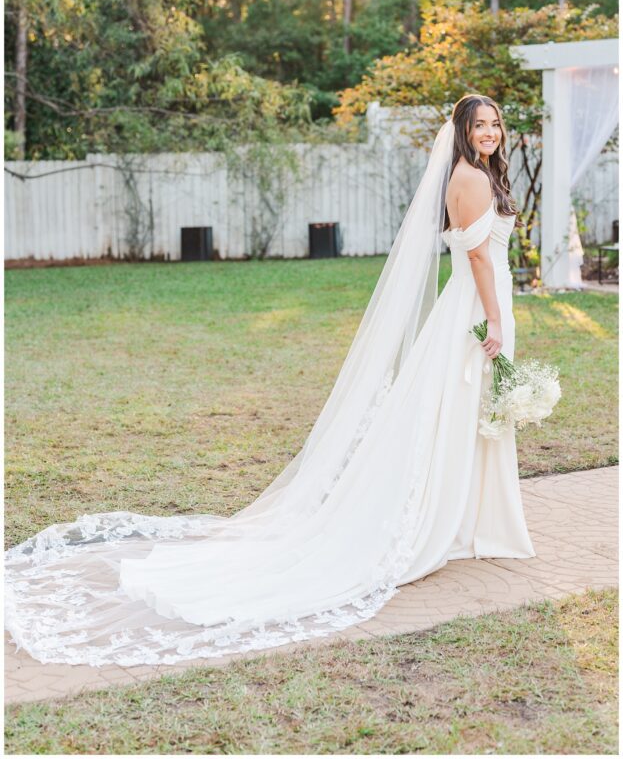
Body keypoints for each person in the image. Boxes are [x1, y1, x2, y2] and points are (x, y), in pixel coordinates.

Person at [5, 93, 535, 668]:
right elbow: (481, 260)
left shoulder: (474, 173)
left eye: (495, 124)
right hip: (474, 310)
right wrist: (498, 322)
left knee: (465, 415)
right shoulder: (472, 180)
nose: (490, 132)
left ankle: (471, 517)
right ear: (461, 132)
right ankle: (457, 522)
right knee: (460, 414)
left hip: (470, 307)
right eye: (479, 125)